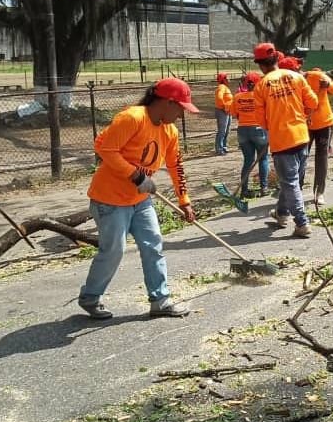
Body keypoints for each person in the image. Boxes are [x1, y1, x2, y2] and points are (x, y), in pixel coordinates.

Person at [80, 78, 198, 320]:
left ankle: (160, 300)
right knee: (114, 250)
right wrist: (135, 176)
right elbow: (105, 149)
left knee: (153, 244)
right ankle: (90, 297)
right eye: (180, 108)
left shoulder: (169, 131)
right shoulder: (133, 118)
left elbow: (176, 165)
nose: (181, 115)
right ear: (166, 102)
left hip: (140, 200)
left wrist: (184, 200)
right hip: (109, 200)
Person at [252, 43, 318, 237]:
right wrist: (304, 115)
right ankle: (281, 214)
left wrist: (274, 124)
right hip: (302, 136)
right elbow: (313, 102)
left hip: (282, 141)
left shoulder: (261, 86)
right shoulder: (297, 77)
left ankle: (302, 222)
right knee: (289, 181)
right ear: (276, 60)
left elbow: (262, 122)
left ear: (260, 65)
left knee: (290, 182)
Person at [230, 72, 270, 198]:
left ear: (245, 83)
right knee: (263, 158)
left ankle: (244, 190)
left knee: (248, 160)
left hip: (242, 130)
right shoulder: (262, 96)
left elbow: (233, 113)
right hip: (258, 129)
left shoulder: (237, 97)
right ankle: (264, 187)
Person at [305, 68, 333, 206]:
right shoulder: (290, 82)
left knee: (321, 157)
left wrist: (329, 85)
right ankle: (295, 190)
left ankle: (319, 192)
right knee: (301, 157)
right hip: (305, 124)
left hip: (324, 124)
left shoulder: (317, 76)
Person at [214, 73, 233, 155]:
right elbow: (219, 98)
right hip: (222, 111)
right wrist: (224, 106)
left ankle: (224, 146)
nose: (229, 80)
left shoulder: (225, 88)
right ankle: (219, 148)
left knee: (226, 130)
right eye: (227, 78)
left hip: (227, 111)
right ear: (223, 80)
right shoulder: (221, 87)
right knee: (222, 131)